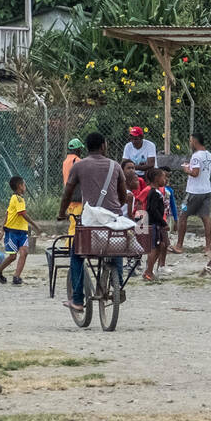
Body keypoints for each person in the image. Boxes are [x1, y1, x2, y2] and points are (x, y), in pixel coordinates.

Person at [58, 132, 129, 314]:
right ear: (103, 146)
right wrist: (112, 208)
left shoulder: (79, 166)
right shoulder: (115, 166)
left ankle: (78, 300)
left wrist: (61, 213)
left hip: (90, 223)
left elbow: (67, 193)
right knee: (116, 248)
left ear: (86, 148)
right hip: (113, 221)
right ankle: (117, 285)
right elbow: (122, 196)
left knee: (76, 254)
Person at [0, 176, 43, 286]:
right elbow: (23, 214)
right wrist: (35, 225)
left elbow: (7, 213)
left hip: (22, 232)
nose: (25, 187)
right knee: (12, 256)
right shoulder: (17, 199)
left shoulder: (18, 199)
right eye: (24, 185)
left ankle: (16, 276)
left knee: (24, 252)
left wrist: (1, 228)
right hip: (12, 232)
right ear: (20, 186)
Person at [175, 132, 211, 256]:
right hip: (206, 190)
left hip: (194, 192)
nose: (190, 143)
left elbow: (195, 173)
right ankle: (208, 247)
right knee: (206, 218)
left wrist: (187, 169)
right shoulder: (209, 155)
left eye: (191, 141)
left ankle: (179, 245)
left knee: (182, 215)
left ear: (195, 141)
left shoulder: (196, 156)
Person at [143, 168, 171, 282]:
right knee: (154, 248)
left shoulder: (157, 192)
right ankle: (148, 272)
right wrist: (163, 223)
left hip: (157, 224)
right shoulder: (154, 193)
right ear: (156, 179)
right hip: (155, 224)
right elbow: (153, 210)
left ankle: (149, 270)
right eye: (163, 177)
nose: (165, 180)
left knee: (162, 245)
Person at [61, 138, 85, 235]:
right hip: (77, 198)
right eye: (80, 149)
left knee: (72, 224)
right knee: (76, 226)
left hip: (69, 197)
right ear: (77, 149)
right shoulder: (77, 160)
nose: (81, 151)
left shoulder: (66, 161)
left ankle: (69, 247)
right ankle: (71, 248)